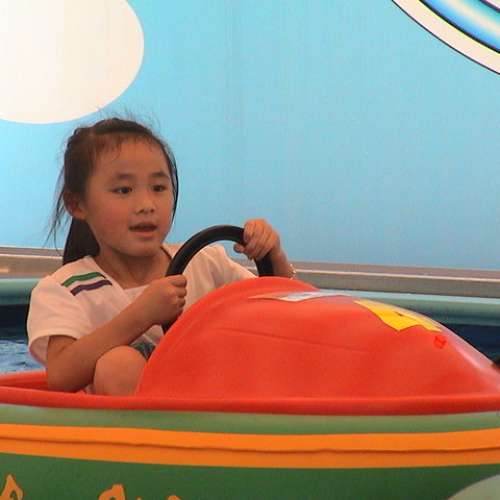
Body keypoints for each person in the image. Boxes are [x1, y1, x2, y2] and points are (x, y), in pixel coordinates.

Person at [27, 118, 295, 396]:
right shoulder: (65, 289)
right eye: (123, 190)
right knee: (118, 364)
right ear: (77, 204)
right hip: (135, 423)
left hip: (215, 405)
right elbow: (60, 376)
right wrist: (141, 315)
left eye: (158, 188)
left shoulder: (205, 262)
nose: (146, 205)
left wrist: (273, 256)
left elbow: (281, 319)